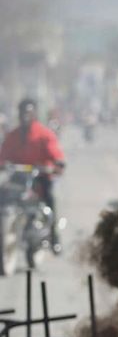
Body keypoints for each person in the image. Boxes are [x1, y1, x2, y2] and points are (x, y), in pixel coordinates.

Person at [0, 98, 66, 253]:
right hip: (18, 177)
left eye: (28, 112)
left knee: (49, 200)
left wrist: (56, 164)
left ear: (35, 113)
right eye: (22, 112)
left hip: (39, 177)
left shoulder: (44, 134)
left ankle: (54, 237)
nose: (25, 116)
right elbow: (3, 154)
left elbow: (55, 154)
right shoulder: (13, 135)